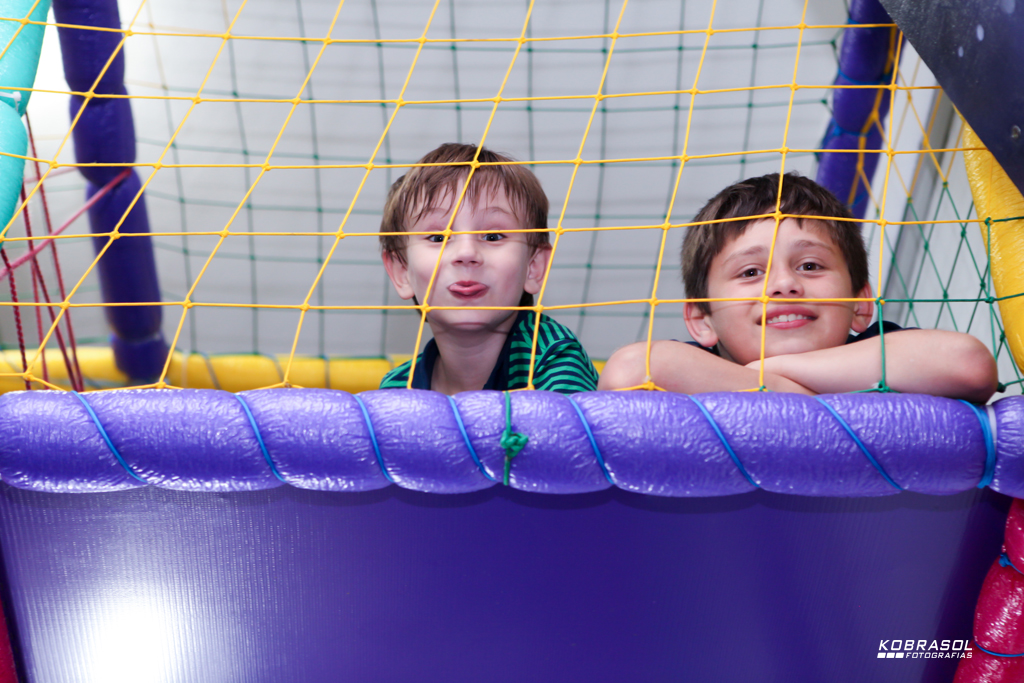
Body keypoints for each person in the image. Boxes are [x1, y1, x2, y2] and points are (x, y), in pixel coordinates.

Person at [598, 172, 998, 402]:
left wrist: (771, 371)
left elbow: (969, 364)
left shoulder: (876, 350)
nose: (785, 284)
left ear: (860, 304)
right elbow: (631, 370)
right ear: (703, 320)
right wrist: (777, 389)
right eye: (750, 272)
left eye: (810, 265)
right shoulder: (698, 367)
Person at [378, 143, 598, 395]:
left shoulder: (553, 358)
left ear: (533, 266)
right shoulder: (398, 387)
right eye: (438, 238)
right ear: (402, 271)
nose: (466, 254)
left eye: (493, 236)